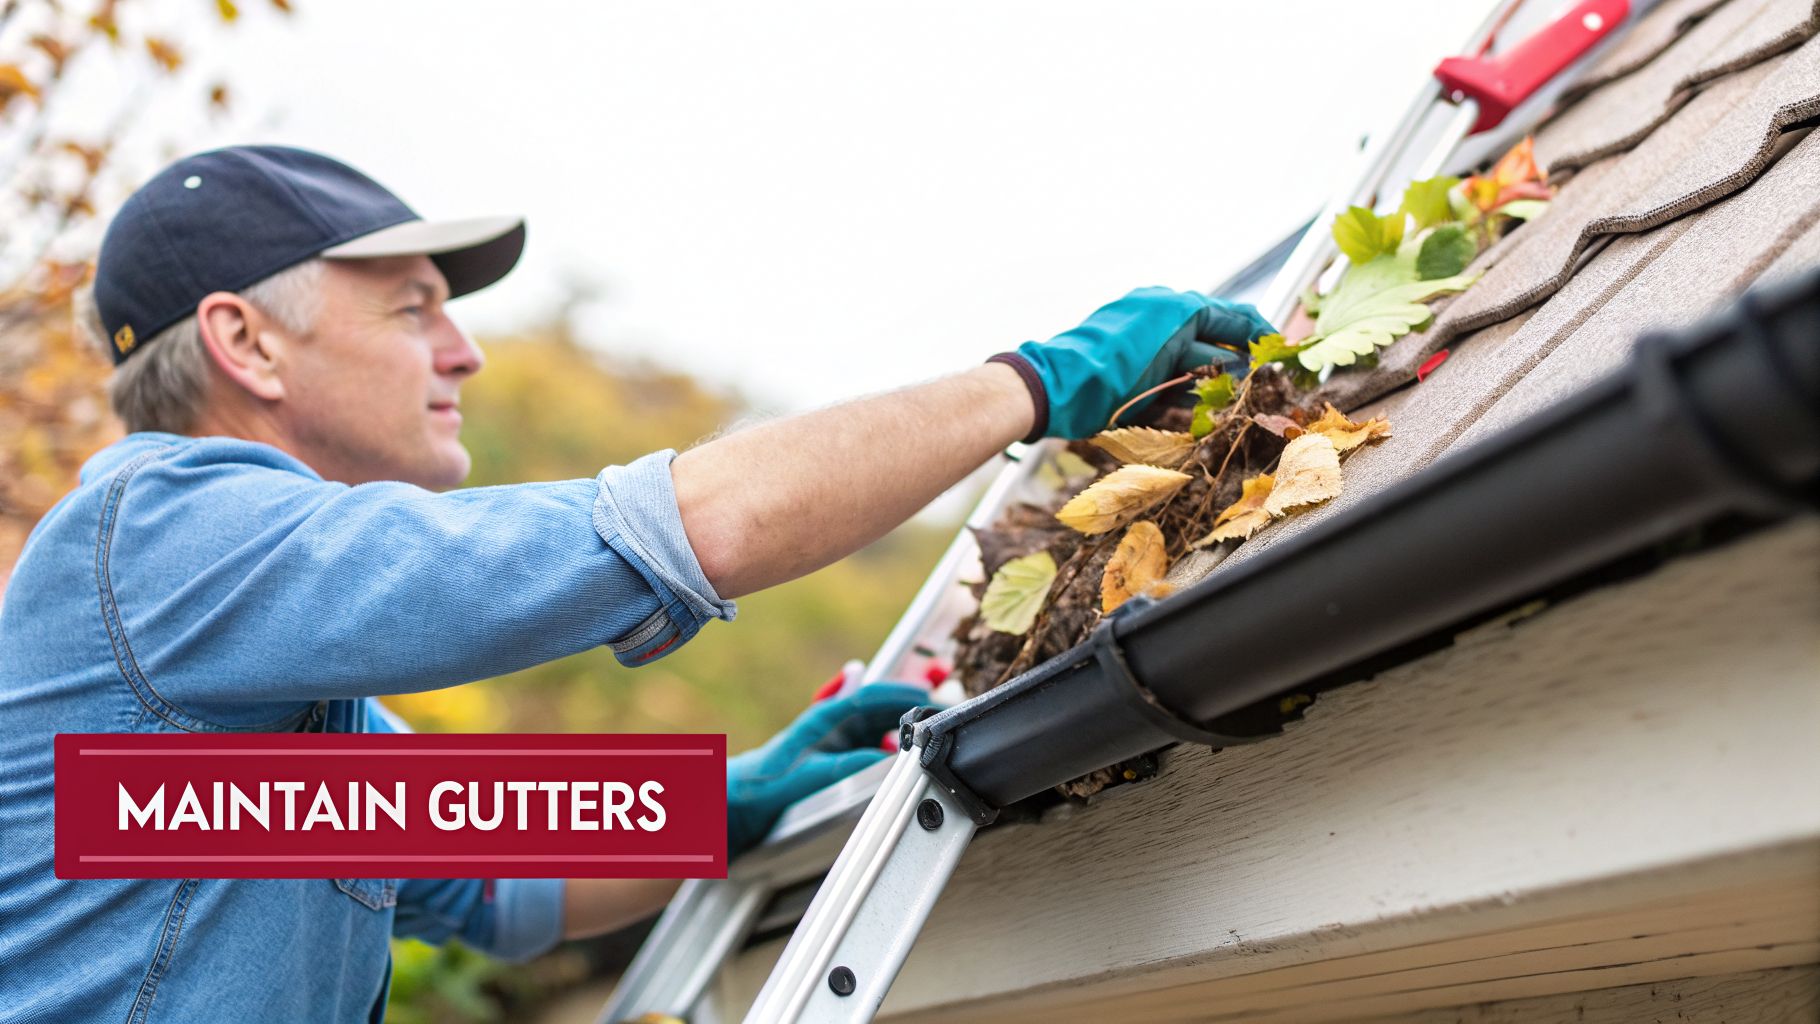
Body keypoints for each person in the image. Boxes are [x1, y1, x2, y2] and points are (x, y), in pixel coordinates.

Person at [0, 145, 1272, 1022]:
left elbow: (497, 885)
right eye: (411, 309)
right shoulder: (160, 533)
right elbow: (673, 530)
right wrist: (1041, 380)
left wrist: (729, 806)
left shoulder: (242, 656)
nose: (467, 350)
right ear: (244, 342)